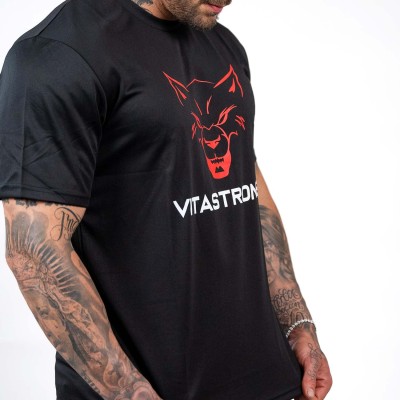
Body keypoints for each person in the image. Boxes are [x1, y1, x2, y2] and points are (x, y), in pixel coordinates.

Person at [0, 0, 332, 399]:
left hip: (271, 382)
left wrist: (298, 327)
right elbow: (33, 250)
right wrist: (132, 393)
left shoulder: (222, 45)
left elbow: (249, 189)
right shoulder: (56, 54)